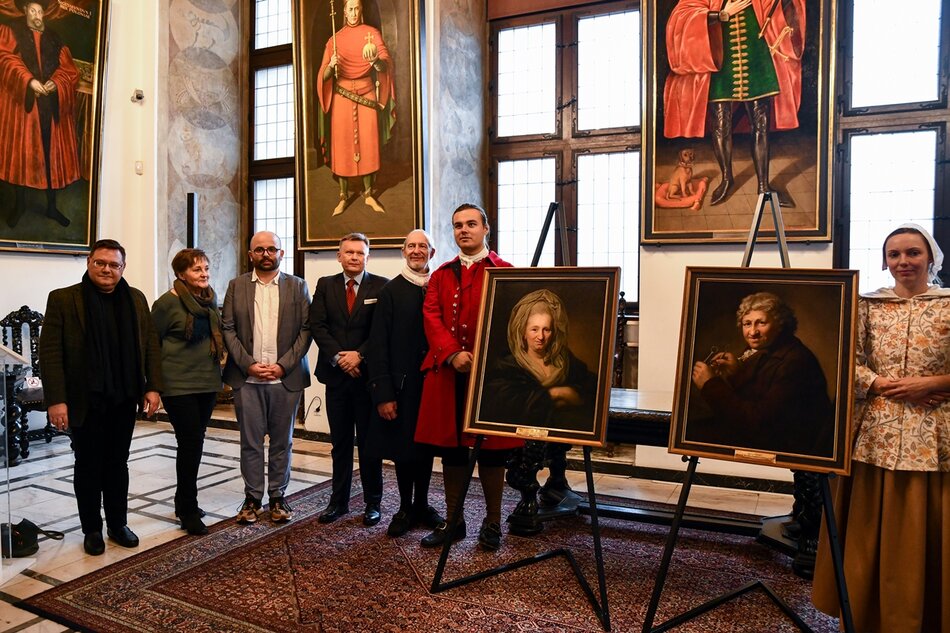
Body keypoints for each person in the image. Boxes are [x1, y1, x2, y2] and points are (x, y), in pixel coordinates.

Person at [813, 224, 950, 633]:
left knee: (927, 529)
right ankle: (867, 612)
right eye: (895, 255)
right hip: (877, 432)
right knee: (869, 527)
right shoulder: (866, 305)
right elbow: (844, 360)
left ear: (930, 257)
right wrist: (882, 383)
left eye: (912, 253)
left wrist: (934, 383)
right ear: (885, 261)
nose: (903, 262)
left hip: (936, 435)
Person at [39, 239, 163, 556]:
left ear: (123, 268)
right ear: (89, 262)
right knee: (89, 465)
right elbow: (50, 354)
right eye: (101, 263)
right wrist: (56, 400)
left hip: (123, 397)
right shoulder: (64, 299)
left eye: (114, 265)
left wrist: (153, 386)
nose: (107, 270)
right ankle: (92, 528)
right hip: (84, 399)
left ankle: (118, 524)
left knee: (117, 464)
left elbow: (150, 345)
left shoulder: (135, 299)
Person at [415, 203, 522, 551]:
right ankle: (454, 521)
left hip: (490, 378)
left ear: (485, 228)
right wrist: (452, 354)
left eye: (471, 224)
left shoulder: (505, 271)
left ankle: (492, 523)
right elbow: (431, 317)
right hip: (448, 375)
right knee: (453, 452)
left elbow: (513, 323)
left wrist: (481, 359)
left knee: (492, 451)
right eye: (458, 225)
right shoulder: (441, 275)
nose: (464, 230)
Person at [663, 0, 805, 205]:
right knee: (721, 125)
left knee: (761, 124)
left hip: (757, 58)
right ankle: (727, 178)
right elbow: (681, 17)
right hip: (721, 61)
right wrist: (719, 15)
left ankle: (763, 186)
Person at [222, 231, 312, 525]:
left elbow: (306, 330)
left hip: (284, 380)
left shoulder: (297, 286)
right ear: (251, 255)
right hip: (247, 380)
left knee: (281, 442)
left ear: (281, 253)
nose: (266, 254)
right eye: (259, 250)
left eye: (272, 249)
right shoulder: (236, 286)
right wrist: (247, 364)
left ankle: (277, 496)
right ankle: (252, 498)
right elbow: (228, 329)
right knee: (250, 442)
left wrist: (284, 365)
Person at [365, 229, 443, 537]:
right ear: (403, 251)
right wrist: (383, 393)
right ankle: (405, 507)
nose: (416, 251)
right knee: (403, 449)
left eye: (422, 246)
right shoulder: (390, 292)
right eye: (411, 245)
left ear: (431, 253)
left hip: (433, 386)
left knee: (425, 449)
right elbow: (378, 345)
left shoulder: (438, 288)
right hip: (401, 387)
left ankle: (423, 505)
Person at [689, 291, 833, 456]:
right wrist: (737, 373)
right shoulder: (765, 349)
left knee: (696, 434)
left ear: (780, 324)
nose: (752, 332)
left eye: (761, 323)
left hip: (790, 446)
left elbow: (758, 423)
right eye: (747, 323)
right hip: (766, 434)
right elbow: (757, 395)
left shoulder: (795, 361)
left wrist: (710, 385)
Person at [311, 232, 388, 526]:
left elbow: (381, 329)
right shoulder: (325, 285)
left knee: (370, 443)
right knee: (340, 443)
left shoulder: (382, 286)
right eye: (349, 252)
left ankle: (373, 503)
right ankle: (338, 502)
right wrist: (340, 358)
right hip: (336, 378)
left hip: (368, 379)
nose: (354, 257)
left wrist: (359, 356)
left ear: (367, 257)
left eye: (360, 253)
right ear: (339, 256)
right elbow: (317, 325)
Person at [151, 248, 224, 536]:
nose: (204, 273)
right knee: (191, 442)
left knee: (195, 442)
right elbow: (151, 345)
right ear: (181, 274)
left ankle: (184, 501)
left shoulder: (210, 300)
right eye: (197, 269)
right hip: (177, 383)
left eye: (206, 268)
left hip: (207, 381)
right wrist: (152, 387)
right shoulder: (166, 304)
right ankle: (189, 509)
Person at [0, 0, 81, 228]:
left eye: (40, 11)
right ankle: (20, 205)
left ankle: (52, 207)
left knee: (51, 156)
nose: (37, 15)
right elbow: (5, 59)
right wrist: (29, 81)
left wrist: (57, 82)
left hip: (51, 108)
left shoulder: (55, 38)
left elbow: (69, 70)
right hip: (25, 107)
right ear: (25, 10)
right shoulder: (10, 30)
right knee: (22, 154)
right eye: (33, 10)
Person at [317, 0, 395, 216]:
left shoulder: (372, 34)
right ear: (344, 11)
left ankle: (369, 194)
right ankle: (343, 196)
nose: (353, 12)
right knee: (343, 147)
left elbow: (385, 63)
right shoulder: (335, 40)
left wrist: (375, 62)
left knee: (369, 145)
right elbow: (322, 76)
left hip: (367, 94)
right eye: (349, 9)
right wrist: (330, 66)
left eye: (357, 8)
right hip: (342, 97)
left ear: (361, 10)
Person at [481, 289, 597, 431]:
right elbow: (505, 407)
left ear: (553, 332)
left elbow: (590, 394)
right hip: (519, 445)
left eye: (546, 329)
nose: (541, 337)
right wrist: (557, 394)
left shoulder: (566, 362)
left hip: (557, 442)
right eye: (534, 329)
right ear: (523, 332)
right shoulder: (508, 367)